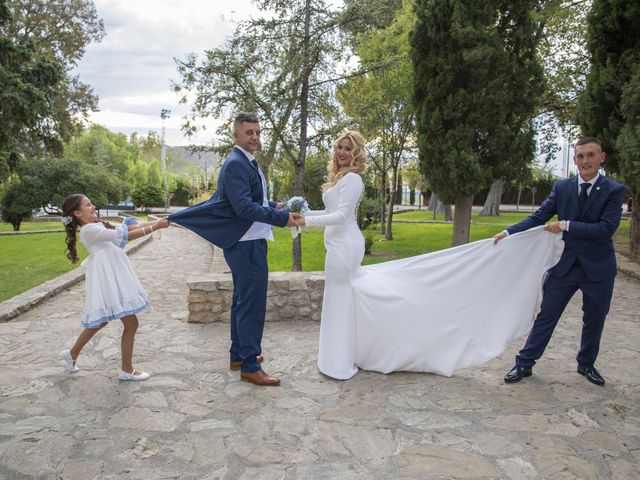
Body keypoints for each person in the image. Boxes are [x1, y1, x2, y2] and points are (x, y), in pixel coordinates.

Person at [300, 132, 565, 380]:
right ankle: (343, 353)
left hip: (344, 247)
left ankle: (345, 357)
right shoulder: (338, 178)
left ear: (356, 153)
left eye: (348, 148)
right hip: (337, 244)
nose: (342, 152)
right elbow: (332, 210)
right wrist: (303, 214)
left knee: (342, 296)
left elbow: (341, 216)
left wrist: (304, 221)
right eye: (339, 147)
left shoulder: (353, 179)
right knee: (342, 299)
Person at [169, 113, 302, 386]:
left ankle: (239, 356)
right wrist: (281, 219)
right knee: (252, 305)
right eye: (249, 132)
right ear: (236, 135)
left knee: (243, 300)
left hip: (248, 241)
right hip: (246, 243)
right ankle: (251, 365)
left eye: (257, 132)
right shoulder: (236, 164)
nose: (255, 137)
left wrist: (274, 205)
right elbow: (242, 208)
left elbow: (255, 199)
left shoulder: (245, 162)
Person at [494, 137, 625, 386]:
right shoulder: (562, 187)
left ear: (601, 157)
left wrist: (565, 225)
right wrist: (509, 232)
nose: (585, 161)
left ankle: (586, 364)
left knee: (594, 318)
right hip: (565, 266)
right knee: (547, 315)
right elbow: (540, 216)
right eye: (580, 156)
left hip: (598, 268)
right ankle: (524, 363)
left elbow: (605, 229)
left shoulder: (614, 190)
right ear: (575, 159)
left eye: (590, 155)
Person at [58, 194, 170, 381]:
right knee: (130, 322)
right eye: (88, 205)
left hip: (113, 274)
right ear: (77, 213)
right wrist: (155, 227)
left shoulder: (98, 226)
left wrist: (157, 222)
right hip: (108, 278)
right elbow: (128, 235)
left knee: (102, 321)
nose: (93, 206)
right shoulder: (89, 230)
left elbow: (129, 228)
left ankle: (72, 354)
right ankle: (126, 370)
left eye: (92, 203)